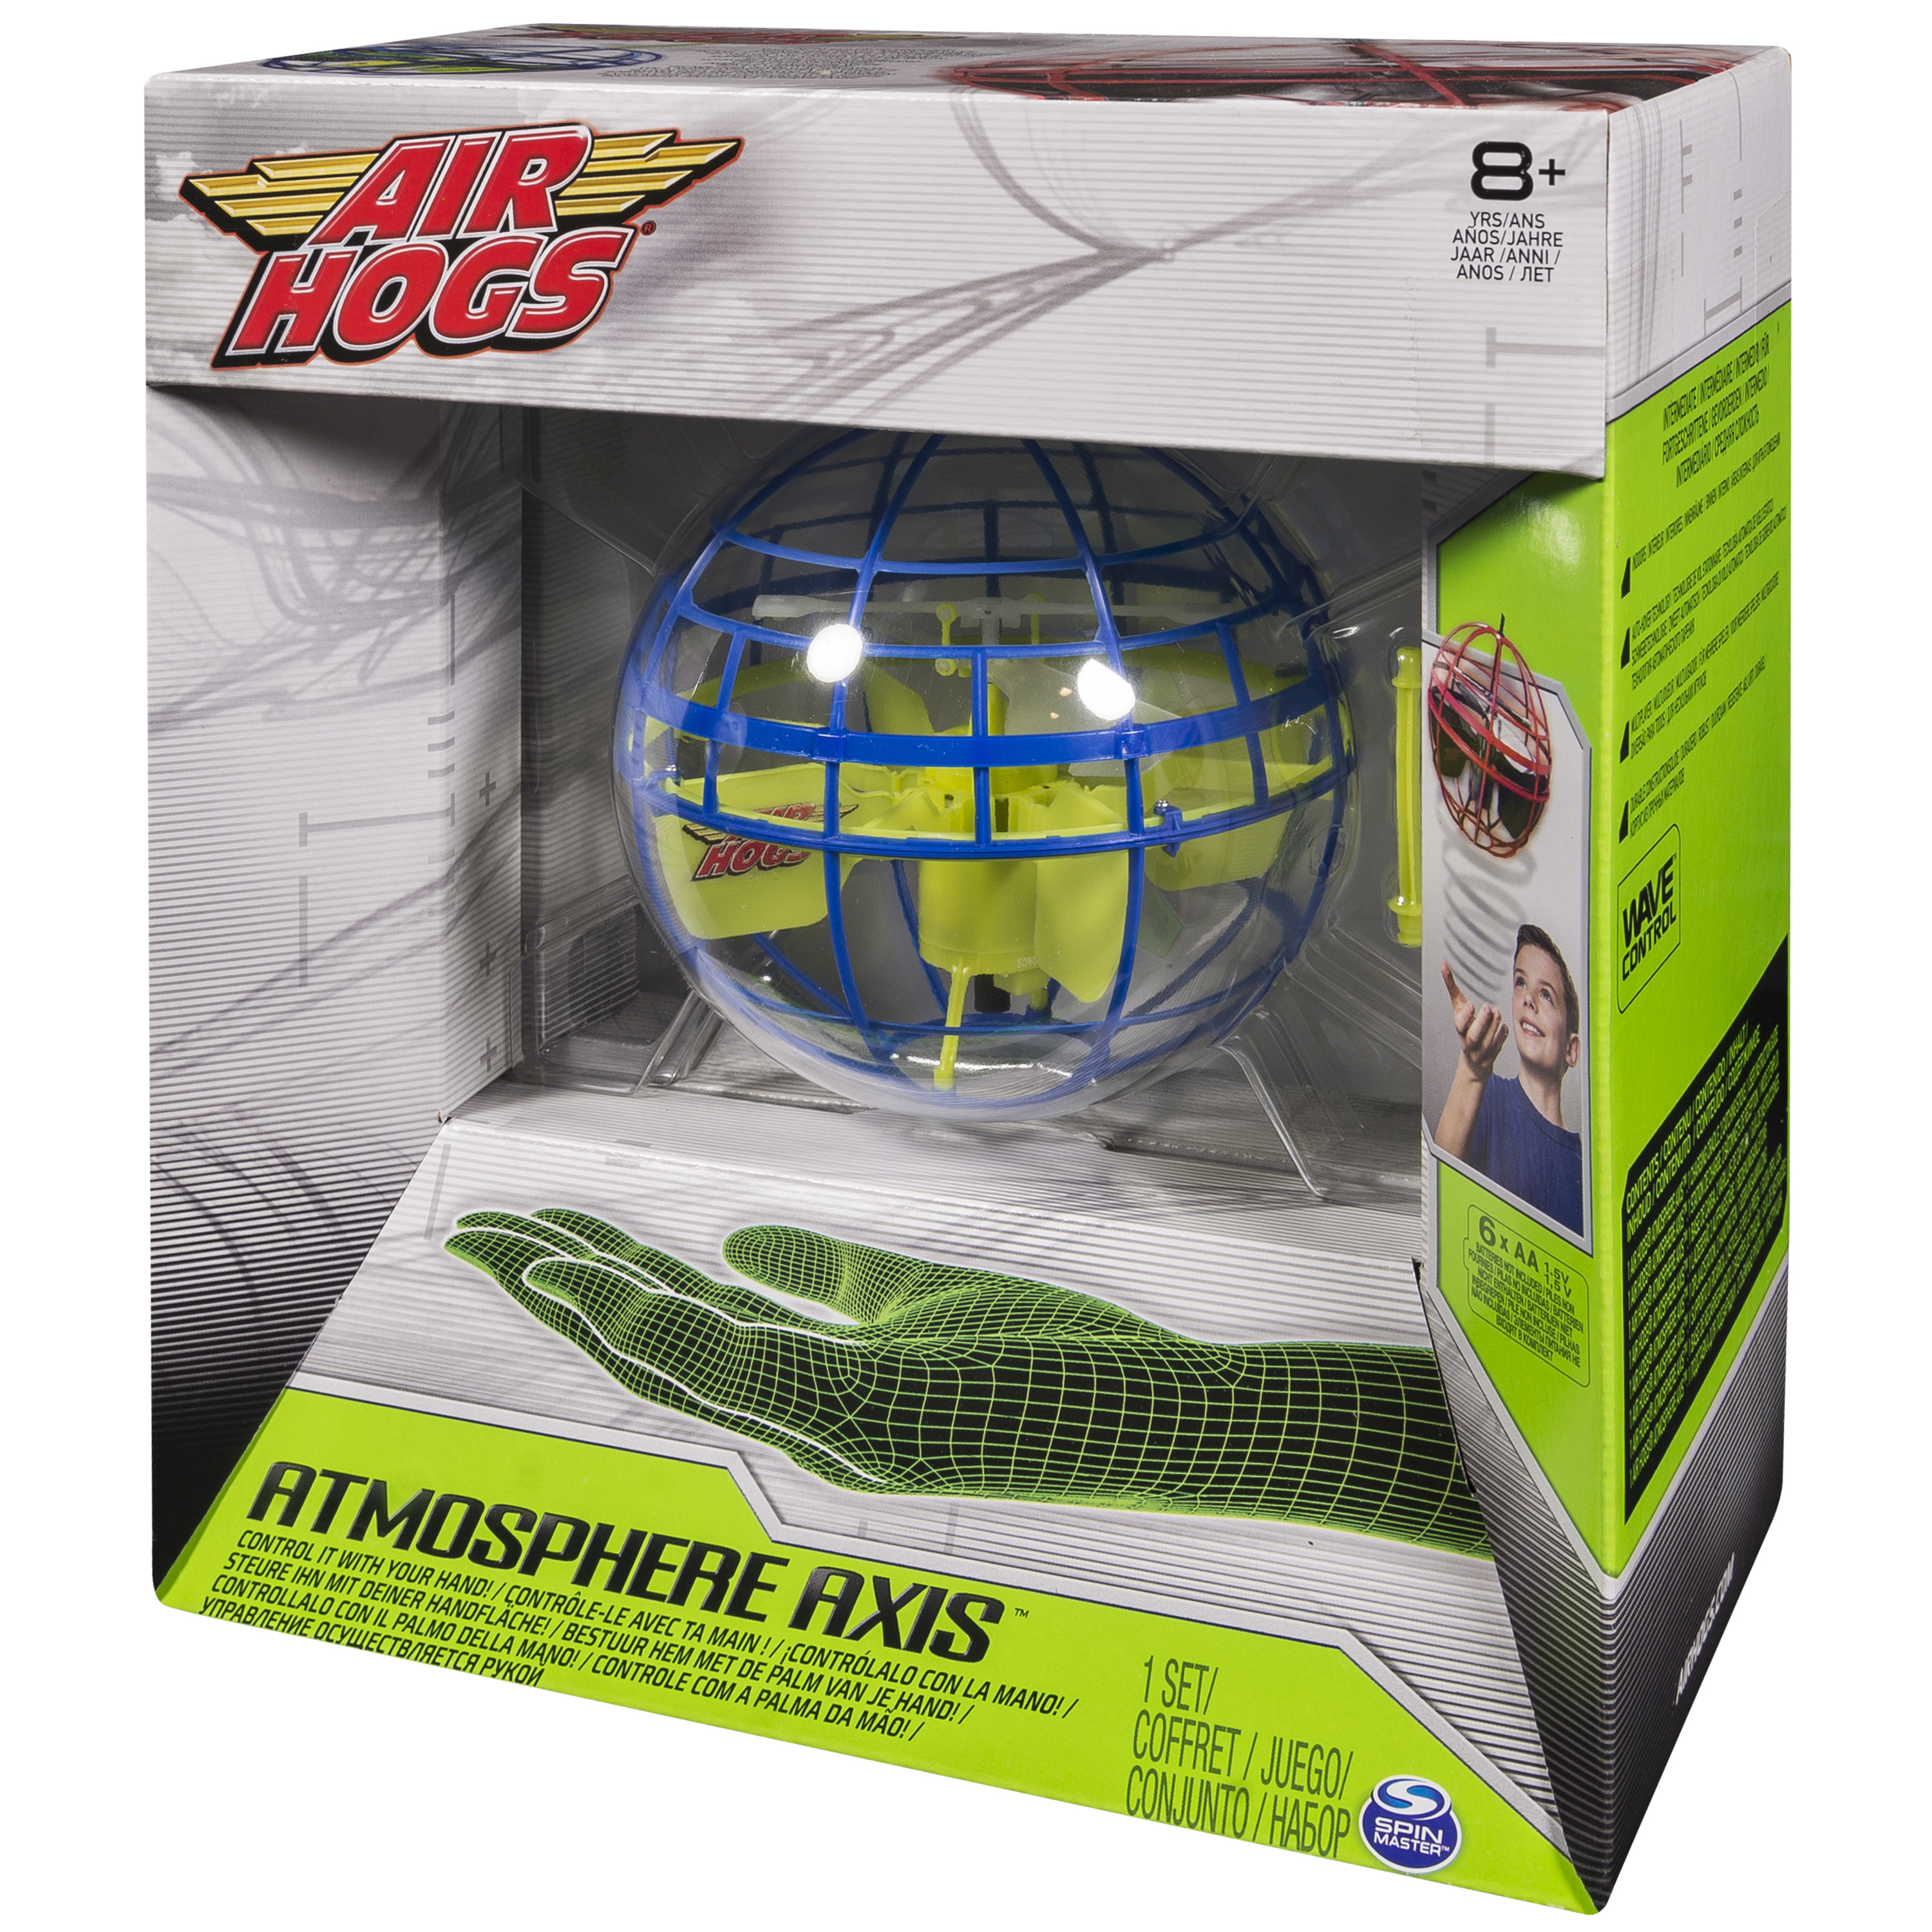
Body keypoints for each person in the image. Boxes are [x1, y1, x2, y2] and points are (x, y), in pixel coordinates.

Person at [1436, 925, 1584, 1236]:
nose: (1528, 999)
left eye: (1546, 994)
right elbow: (1443, 1188)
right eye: (1521, 982)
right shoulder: (1485, 1097)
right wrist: (1472, 1072)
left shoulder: (1585, 1166)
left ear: (1571, 1050)